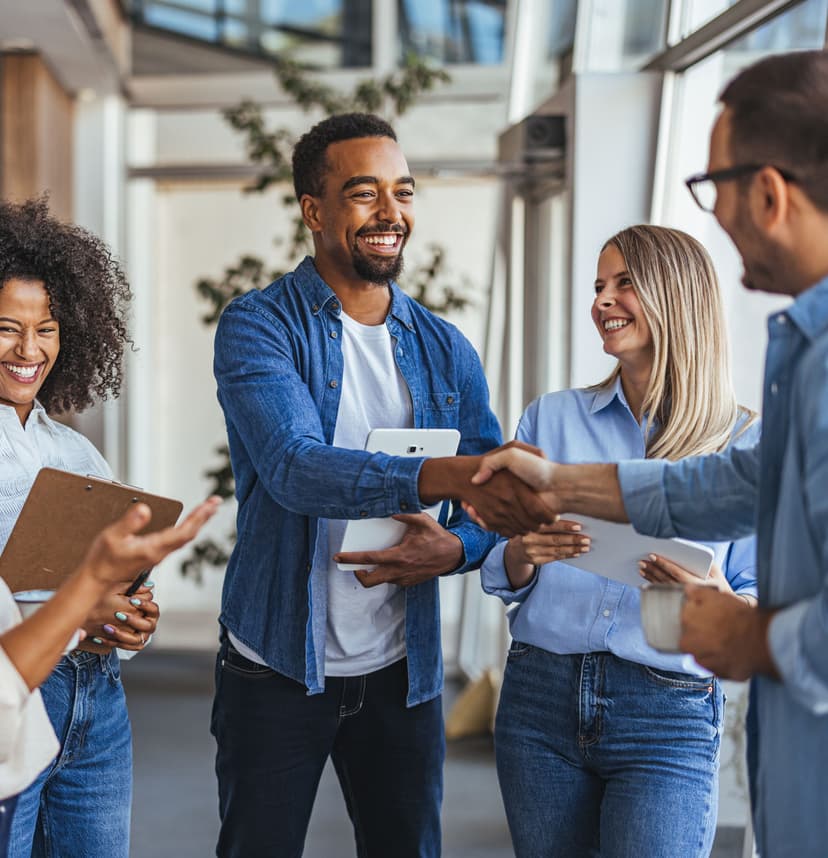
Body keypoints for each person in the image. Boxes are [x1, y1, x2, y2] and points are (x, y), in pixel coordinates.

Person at [467, 50, 828, 858]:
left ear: (769, 194)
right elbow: (725, 487)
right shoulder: (800, 353)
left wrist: (747, 631)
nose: (716, 213)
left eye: (712, 186)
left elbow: (737, 506)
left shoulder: (798, 378)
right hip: (546, 694)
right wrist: (555, 488)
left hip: (673, 705)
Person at [210, 112, 554, 858]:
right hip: (276, 664)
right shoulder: (259, 326)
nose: (390, 213)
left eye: (403, 192)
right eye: (365, 193)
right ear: (314, 211)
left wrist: (456, 549)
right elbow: (295, 466)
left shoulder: (444, 348)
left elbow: (484, 503)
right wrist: (440, 474)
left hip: (402, 669)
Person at [480, 224, 758, 858]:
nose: (602, 301)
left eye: (624, 283)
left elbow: (761, 592)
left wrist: (720, 600)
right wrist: (524, 553)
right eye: (598, 285)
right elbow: (499, 563)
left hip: (667, 712)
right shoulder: (550, 418)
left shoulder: (743, 441)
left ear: (676, 296)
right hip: (540, 699)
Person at [0, 196, 155, 857]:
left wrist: (133, 616)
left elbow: (115, 577)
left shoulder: (77, 454)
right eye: (7, 328)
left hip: (98, 702)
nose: (28, 350)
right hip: (15, 696)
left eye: (47, 329)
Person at [0, 497, 220, 858]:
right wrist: (88, 591)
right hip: (21, 691)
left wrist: (130, 611)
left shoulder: (81, 463)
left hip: (98, 685)